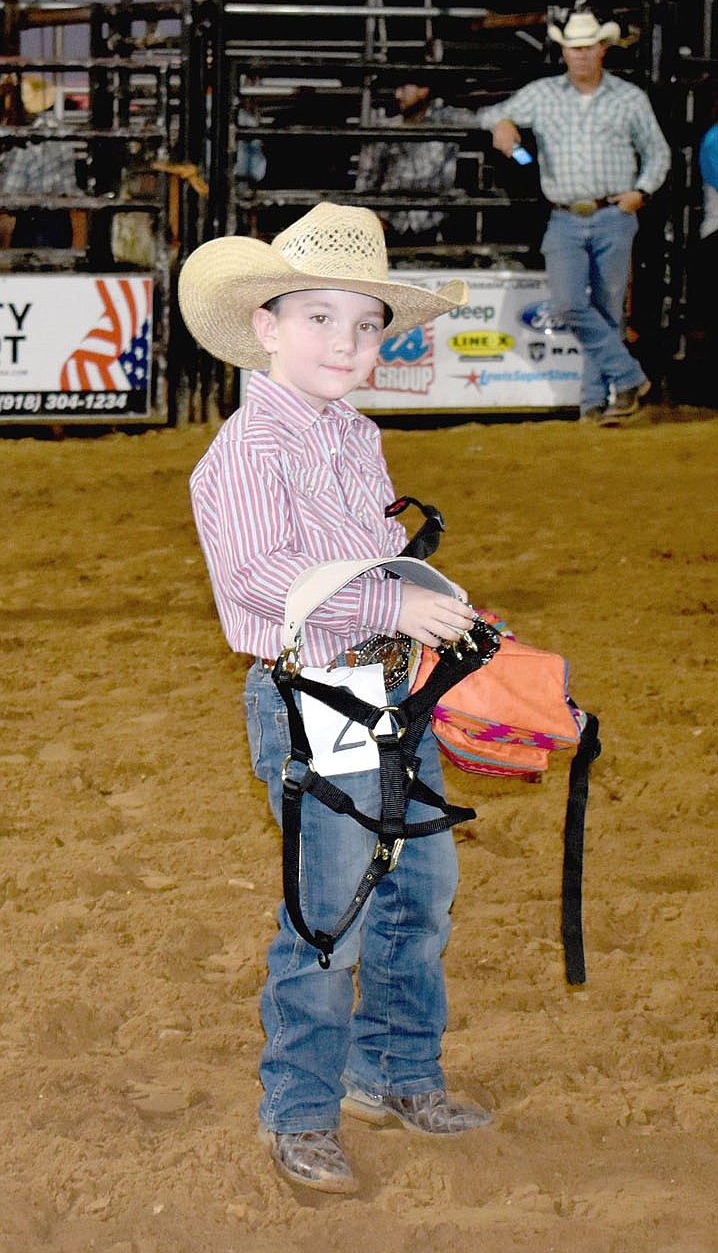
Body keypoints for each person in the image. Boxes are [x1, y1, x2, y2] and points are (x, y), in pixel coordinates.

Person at [179, 202, 492, 1196]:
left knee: (419, 888)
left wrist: (434, 603)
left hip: (390, 687)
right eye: (319, 318)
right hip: (312, 691)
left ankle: (394, 1070)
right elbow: (263, 577)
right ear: (265, 325)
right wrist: (390, 595)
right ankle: (300, 1107)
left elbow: (375, 554)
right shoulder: (241, 451)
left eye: (364, 325)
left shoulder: (354, 438)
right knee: (330, 914)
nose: (346, 343)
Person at [476, 10, 671, 424]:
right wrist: (505, 125)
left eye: (586, 48)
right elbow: (492, 114)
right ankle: (628, 378)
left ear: (602, 48)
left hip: (611, 210)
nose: (579, 56)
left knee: (606, 308)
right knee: (572, 304)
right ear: (564, 52)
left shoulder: (628, 97)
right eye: (572, 49)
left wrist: (642, 190)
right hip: (567, 214)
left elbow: (657, 151)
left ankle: (596, 404)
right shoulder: (544, 94)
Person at [355, 81, 478, 245]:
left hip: (431, 225)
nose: (398, 95)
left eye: (403, 88)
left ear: (423, 90)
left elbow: (483, 120)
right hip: (386, 225)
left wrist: (505, 130)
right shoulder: (385, 129)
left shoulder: (446, 122)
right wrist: (370, 217)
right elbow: (366, 177)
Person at [0, 75, 86, 251]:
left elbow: (9, 197)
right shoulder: (57, 129)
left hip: (30, 222)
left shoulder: (26, 139)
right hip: (56, 217)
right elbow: (70, 190)